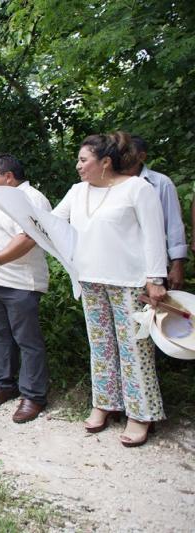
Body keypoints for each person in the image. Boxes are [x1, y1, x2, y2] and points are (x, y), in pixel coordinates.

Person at [52, 131, 167, 447]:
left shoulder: (136, 189)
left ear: (105, 162)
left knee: (134, 349)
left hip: (129, 282)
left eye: (83, 159)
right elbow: (51, 225)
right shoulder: (76, 192)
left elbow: (154, 237)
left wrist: (156, 279)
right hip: (90, 279)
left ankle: (140, 414)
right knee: (101, 346)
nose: (78, 165)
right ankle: (105, 403)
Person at [0, 154, 51, 423]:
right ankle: (4, 384)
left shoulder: (30, 198)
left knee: (26, 339)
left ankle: (33, 395)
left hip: (20, 282)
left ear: (8, 176)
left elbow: (28, 238)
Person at [127, 135, 187, 290]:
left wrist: (177, 264)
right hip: (123, 267)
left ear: (141, 156)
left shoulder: (161, 183)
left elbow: (173, 225)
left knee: (155, 313)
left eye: (128, 152)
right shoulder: (110, 185)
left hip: (154, 268)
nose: (122, 156)